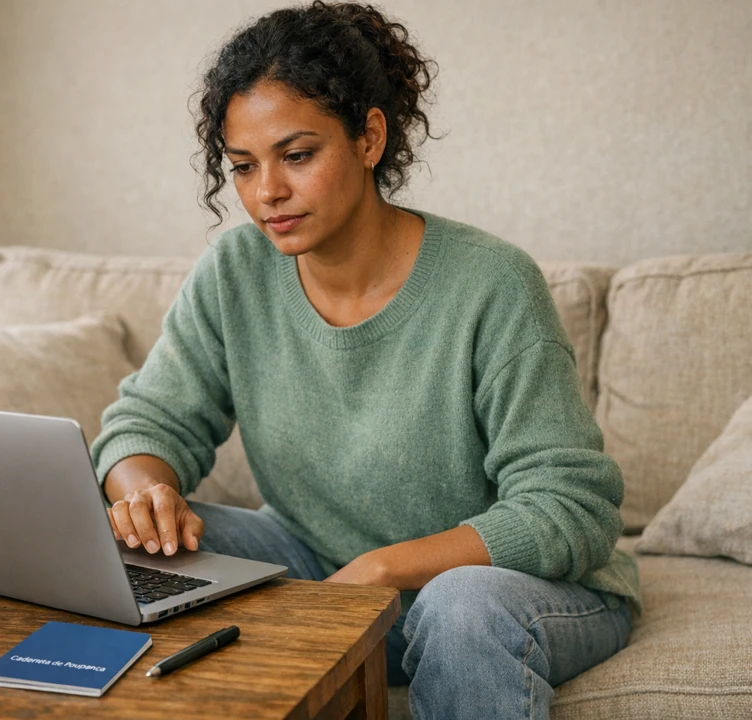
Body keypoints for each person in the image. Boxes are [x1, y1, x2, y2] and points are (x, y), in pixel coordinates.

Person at [90, 2, 639, 717]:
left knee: (460, 607)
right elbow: (148, 423)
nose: (267, 193)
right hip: (321, 567)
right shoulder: (236, 270)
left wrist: (383, 569)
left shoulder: (492, 284)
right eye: (244, 167)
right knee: (122, 550)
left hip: (507, 589)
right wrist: (144, 497)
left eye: (297, 156)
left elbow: (571, 507)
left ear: (369, 137)